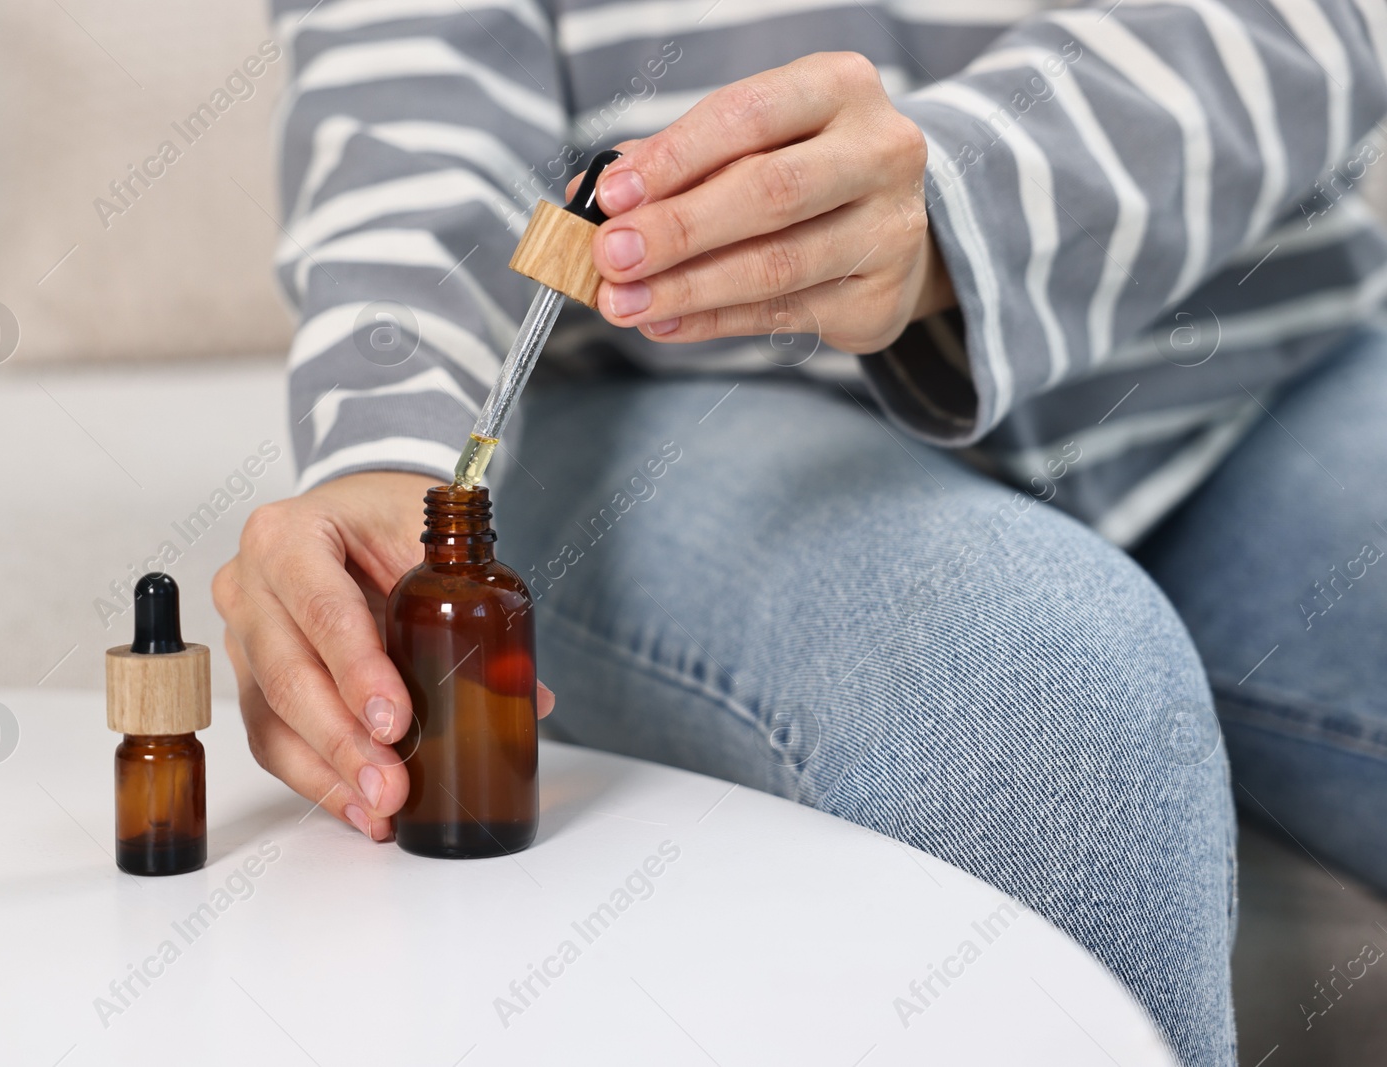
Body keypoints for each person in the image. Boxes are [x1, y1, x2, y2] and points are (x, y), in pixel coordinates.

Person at [211, 2, 1387, 1062]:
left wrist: (950, 205)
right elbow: (415, 103)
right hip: (694, 401)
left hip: (1243, 351)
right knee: (1030, 685)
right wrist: (385, 454)